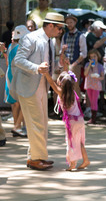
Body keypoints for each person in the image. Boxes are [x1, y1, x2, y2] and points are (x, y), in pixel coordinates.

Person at [14, 12, 65, 170]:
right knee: (37, 124)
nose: (61, 31)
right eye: (59, 28)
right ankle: (37, 158)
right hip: (29, 87)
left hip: (42, 87)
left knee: (41, 123)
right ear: (50, 25)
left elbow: (49, 64)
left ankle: (35, 157)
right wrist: (36, 68)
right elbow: (18, 60)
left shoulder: (49, 41)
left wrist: (60, 62)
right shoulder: (31, 38)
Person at [43, 70, 90, 171]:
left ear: (60, 83)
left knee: (71, 142)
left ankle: (72, 164)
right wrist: (65, 65)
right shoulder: (73, 92)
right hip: (80, 120)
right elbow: (66, 77)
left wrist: (46, 73)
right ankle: (85, 160)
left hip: (72, 122)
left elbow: (51, 83)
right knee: (79, 142)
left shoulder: (61, 93)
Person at [1, 25, 29, 138]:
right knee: (23, 102)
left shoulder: (11, 46)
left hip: (11, 76)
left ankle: (16, 126)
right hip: (18, 77)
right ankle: (17, 126)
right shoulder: (20, 48)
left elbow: (8, 63)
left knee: (15, 104)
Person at [61, 14, 87, 103]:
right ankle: (65, 107)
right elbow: (62, 50)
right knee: (64, 86)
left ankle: (77, 108)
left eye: (71, 22)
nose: (69, 24)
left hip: (76, 65)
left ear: (75, 23)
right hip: (65, 64)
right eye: (67, 23)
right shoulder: (65, 36)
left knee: (75, 86)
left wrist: (73, 65)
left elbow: (84, 53)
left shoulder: (81, 36)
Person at [84, 49, 105, 124]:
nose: (93, 58)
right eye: (91, 57)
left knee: (94, 101)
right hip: (89, 84)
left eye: (95, 56)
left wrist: (98, 78)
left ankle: (93, 118)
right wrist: (89, 65)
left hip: (96, 85)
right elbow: (85, 74)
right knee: (90, 100)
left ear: (98, 57)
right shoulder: (87, 65)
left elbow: (102, 77)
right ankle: (92, 117)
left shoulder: (100, 66)